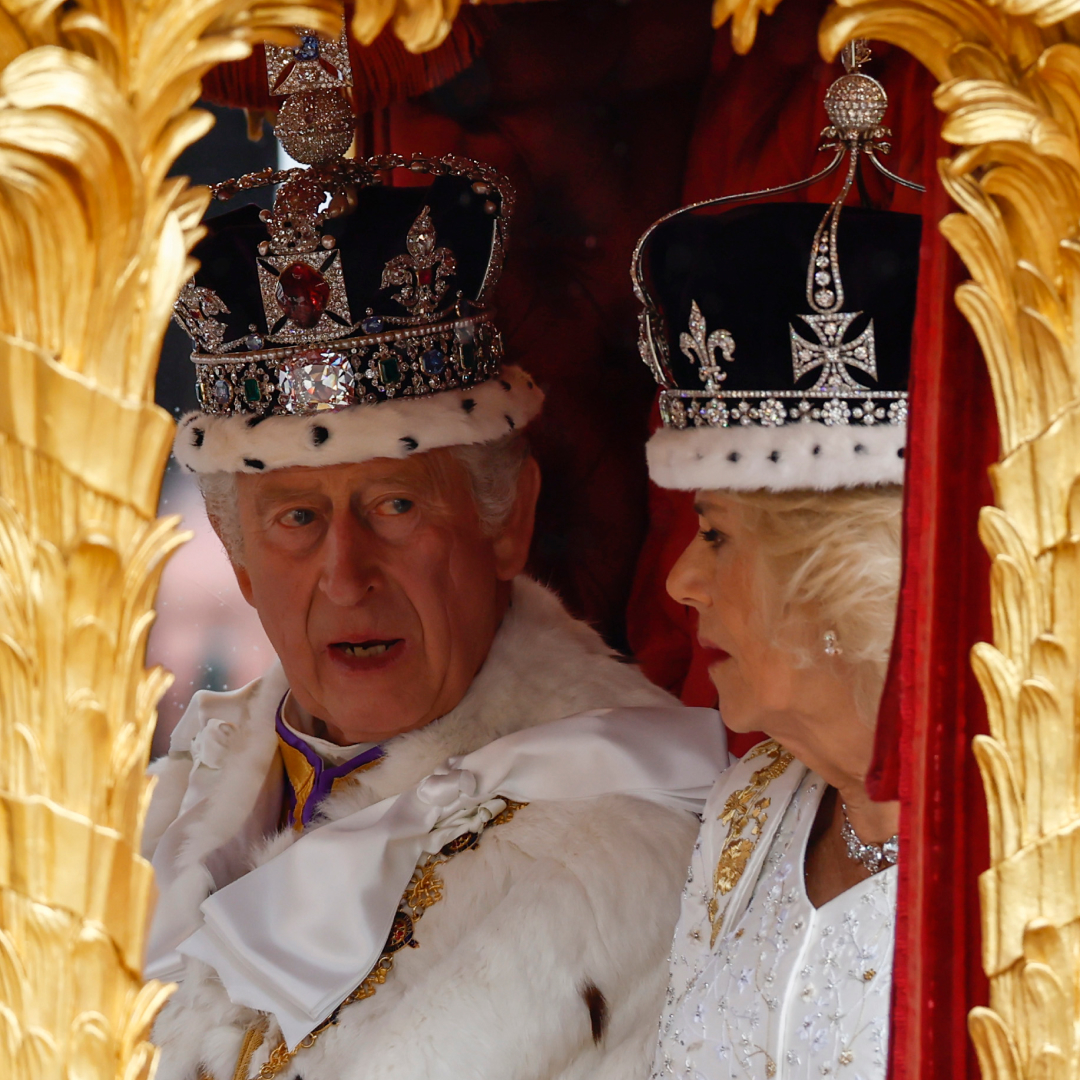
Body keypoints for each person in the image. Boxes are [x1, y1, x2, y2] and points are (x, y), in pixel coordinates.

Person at [144, 36, 728, 1080]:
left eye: (396, 504)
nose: (345, 577)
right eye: (294, 521)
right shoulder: (174, 802)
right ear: (233, 558)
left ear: (507, 521)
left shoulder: (637, 855)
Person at [630, 60, 921, 1080]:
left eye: (715, 533)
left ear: (844, 575)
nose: (679, 584)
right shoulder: (752, 811)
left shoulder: (1028, 840)